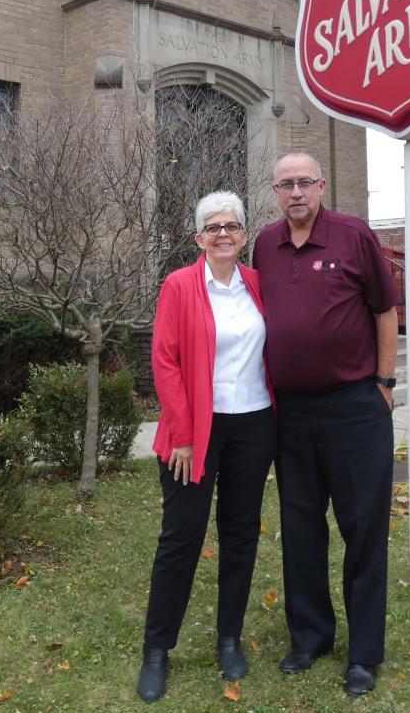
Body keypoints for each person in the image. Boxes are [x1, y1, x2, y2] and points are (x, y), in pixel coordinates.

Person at [251, 152, 401, 698]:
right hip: (290, 413)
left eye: (305, 183)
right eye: (286, 184)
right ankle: (310, 636)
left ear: (321, 186)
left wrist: (385, 383)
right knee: (301, 527)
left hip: (354, 407)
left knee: (363, 529)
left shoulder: (353, 235)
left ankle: (363, 653)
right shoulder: (264, 244)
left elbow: (385, 309)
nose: (296, 193)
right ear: (275, 191)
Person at [137, 191, 276, 704]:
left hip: (254, 425)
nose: (223, 233)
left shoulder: (257, 285)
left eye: (232, 226)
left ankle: (229, 639)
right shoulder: (179, 286)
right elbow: (165, 362)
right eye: (213, 227)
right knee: (181, 539)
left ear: (243, 235)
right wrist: (184, 434)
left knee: (240, 535)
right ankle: (157, 650)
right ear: (199, 238)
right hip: (194, 432)